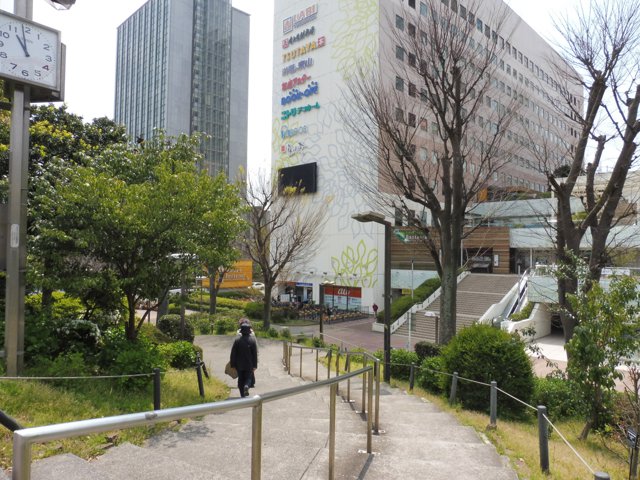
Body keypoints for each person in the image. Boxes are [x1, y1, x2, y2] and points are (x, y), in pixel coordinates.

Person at [230, 321, 258, 397]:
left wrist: (232, 364)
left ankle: (242, 395)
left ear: (241, 331)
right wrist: (255, 365)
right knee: (248, 378)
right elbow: (254, 354)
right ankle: (246, 386)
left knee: (240, 379)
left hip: (239, 364)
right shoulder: (252, 340)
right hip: (249, 364)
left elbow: (233, 353)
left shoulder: (237, 340)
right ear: (249, 331)